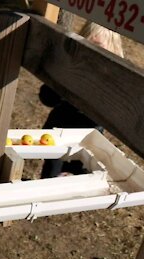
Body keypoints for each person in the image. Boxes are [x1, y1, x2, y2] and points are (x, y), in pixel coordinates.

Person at [40, 21, 124, 179]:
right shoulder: (72, 68)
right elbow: (47, 98)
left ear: (113, 50)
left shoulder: (110, 80)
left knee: (79, 178)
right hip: (59, 130)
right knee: (50, 176)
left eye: (98, 47)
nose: (90, 54)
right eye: (86, 46)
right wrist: (63, 84)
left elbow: (111, 113)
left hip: (86, 138)